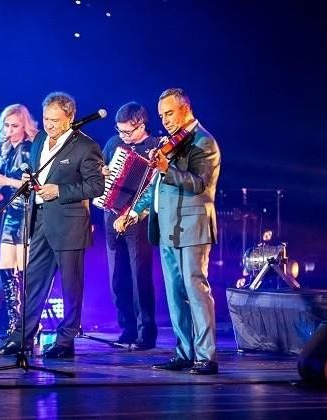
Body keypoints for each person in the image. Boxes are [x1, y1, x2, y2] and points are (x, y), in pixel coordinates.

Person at [0, 91, 105, 359]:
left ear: (70, 118)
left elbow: (96, 186)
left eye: (55, 120)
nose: (49, 125)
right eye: (46, 119)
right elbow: (36, 172)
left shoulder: (85, 146)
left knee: (70, 286)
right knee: (33, 282)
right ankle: (21, 339)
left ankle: (65, 341)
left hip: (69, 224)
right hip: (40, 220)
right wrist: (29, 180)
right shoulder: (40, 139)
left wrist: (60, 191)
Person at [115, 88, 221, 374]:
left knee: (195, 290)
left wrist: (166, 168)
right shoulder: (171, 143)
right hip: (167, 227)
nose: (165, 120)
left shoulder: (203, 141)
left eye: (170, 113)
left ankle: (206, 356)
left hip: (192, 226)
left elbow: (199, 184)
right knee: (175, 294)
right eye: (161, 115)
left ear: (186, 108)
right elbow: (155, 187)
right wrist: (133, 212)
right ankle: (184, 353)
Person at [101, 102, 158, 350]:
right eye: (120, 130)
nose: (123, 135)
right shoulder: (114, 143)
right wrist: (103, 172)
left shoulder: (155, 146)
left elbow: (153, 187)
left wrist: (134, 212)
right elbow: (99, 171)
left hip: (138, 219)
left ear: (141, 125)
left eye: (128, 131)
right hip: (111, 215)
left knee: (140, 276)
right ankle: (127, 329)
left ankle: (146, 333)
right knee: (117, 277)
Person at [0, 104, 38, 336]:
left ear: (24, 126)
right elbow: (6, 187)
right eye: (6, 125)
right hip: (10, 214)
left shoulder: (29, 149)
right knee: (6, 269)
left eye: (15, 126)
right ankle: (14, 324)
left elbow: (32, 185)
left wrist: (4, 181)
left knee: (24, 270)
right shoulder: (5, 150)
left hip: (27, 212)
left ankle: (30, 323)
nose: (9, 131)